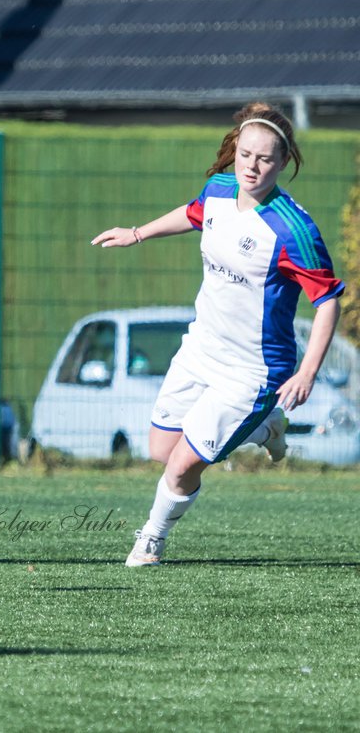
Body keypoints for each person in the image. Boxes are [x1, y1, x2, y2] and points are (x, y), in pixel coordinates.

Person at [92, 102, 345, 567]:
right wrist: (137, 233)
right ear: (235, 151)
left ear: (284, 162)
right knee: (161, 450)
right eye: (245, 154)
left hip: (253, 370)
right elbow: (193, 214)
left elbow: (328, 300)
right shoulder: (219, 189)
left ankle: (152, 537)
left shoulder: (293, 230)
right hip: (200, 349)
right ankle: (265, 427)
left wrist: (307, 372)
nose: (252, 166)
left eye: (265, 158)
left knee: (184, 464)